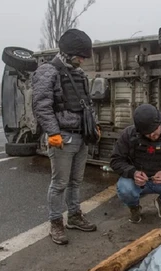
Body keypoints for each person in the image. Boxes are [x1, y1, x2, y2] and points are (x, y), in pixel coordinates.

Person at [32, 28, 98, 245]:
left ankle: (75, 216)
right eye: (80, 56)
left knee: (76, 181)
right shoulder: (47, 71)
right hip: (63, 138)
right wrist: (53, 132)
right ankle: (55, 223)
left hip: (81, 137)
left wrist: (93, 126)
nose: (82, 60)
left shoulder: (79, 75)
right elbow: (42, 106)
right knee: (59, 183)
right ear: (68, 52)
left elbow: (87, 104)